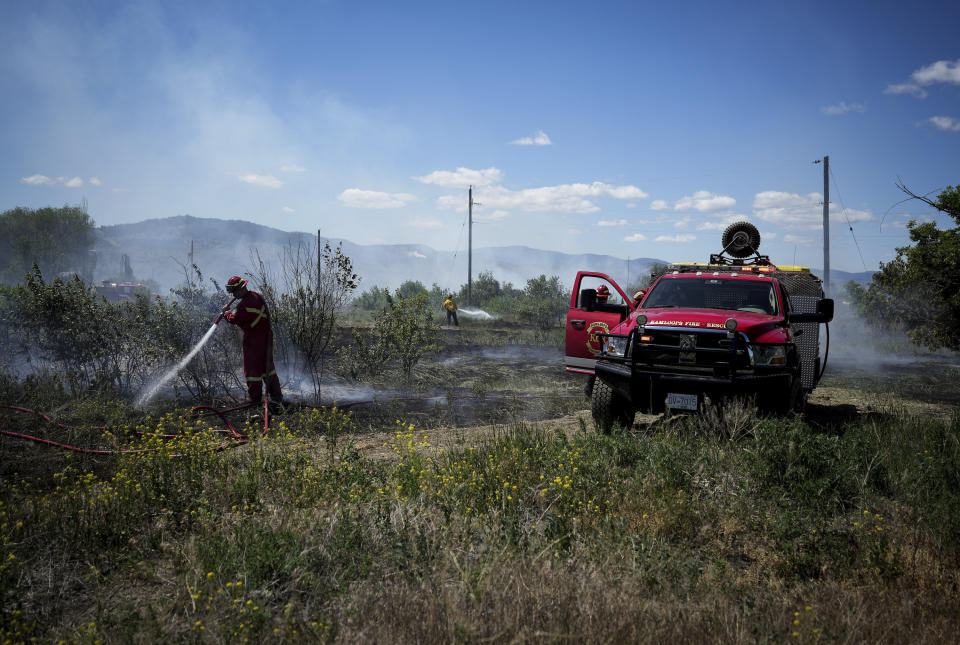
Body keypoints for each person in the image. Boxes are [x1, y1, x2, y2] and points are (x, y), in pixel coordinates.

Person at [221, 276, 284, 408]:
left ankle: (254, 400)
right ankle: (276, 397)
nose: (234, 294)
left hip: (253, 342)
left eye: (234, 291)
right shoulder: (256, 296)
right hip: (266, 339)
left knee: (252, 371)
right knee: (268, 368)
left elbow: (234, 319)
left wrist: (226, 313)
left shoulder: (244, 305)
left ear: (241, 288)